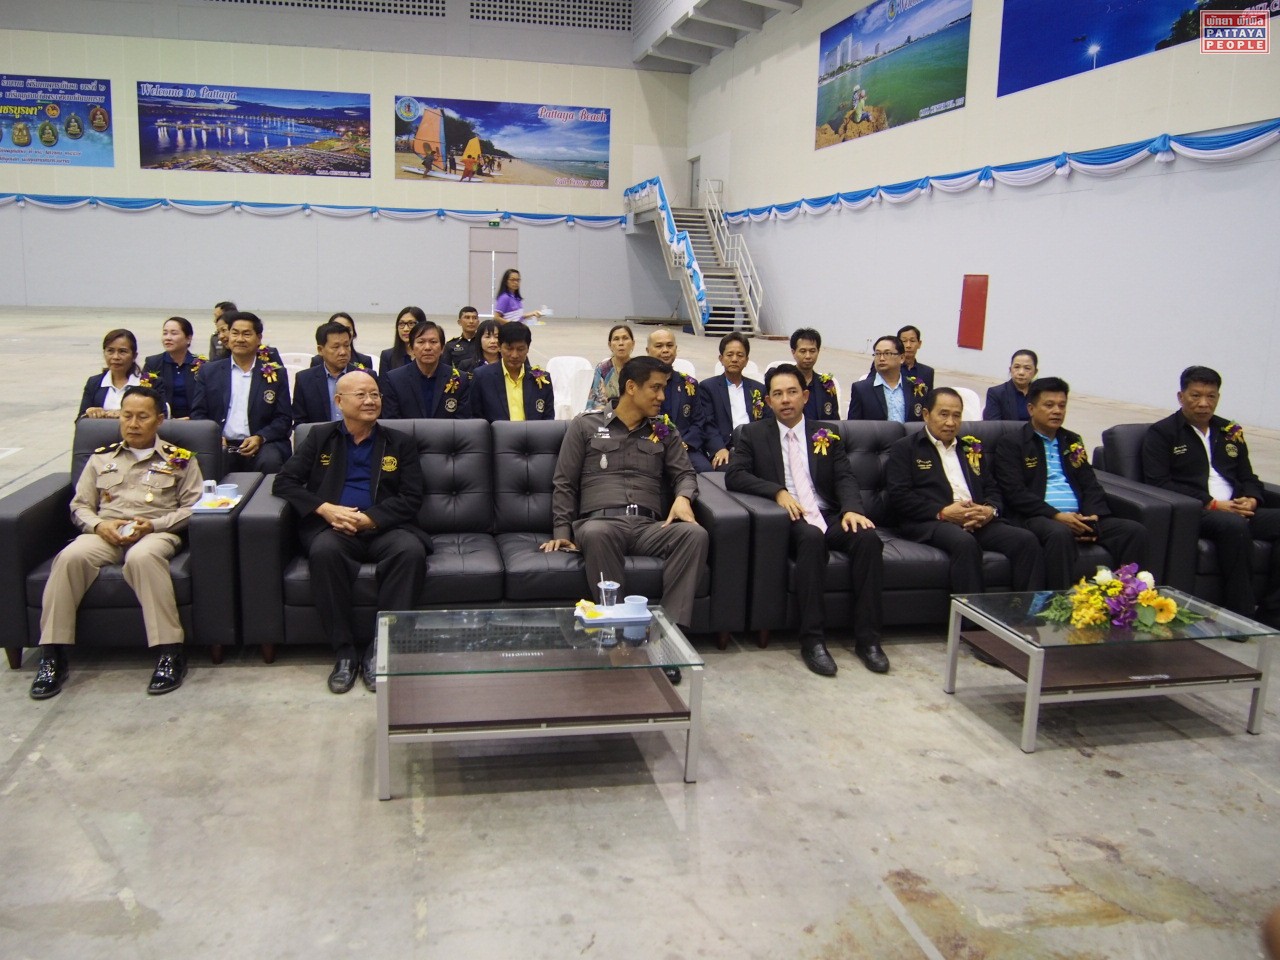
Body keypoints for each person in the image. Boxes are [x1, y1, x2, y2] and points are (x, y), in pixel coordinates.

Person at [29, 386, 203, 699]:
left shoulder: (180, 459)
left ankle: (169, 652)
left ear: (159, 420)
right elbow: (80, 505)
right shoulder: (101, 458)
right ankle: (52, 655)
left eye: (142, 417)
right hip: (105, 533)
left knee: (143, 558)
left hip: (154, 532)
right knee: (69, 558)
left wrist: (154, 525)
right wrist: (99, 525)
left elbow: (194, 506)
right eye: (127, 416)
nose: (133, 424)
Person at [726, 363, 889, 677]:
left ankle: (868, 639)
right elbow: (735, 475)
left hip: (828, 514)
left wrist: (852, 508)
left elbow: (844, 477)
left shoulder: (825, 433)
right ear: (768, 401)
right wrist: (776, 491)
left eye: (792, 392)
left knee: (868, 538)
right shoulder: (753, 434)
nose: (785, 399)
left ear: (805, 396)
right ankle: (813, 640)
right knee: (811, 538)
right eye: (777, 394)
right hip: (792, 518)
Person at [273, 371, 429, 693]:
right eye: (361, 395)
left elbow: (412, 497)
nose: (370, 401)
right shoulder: (320, 437)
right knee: (324, 553)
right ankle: (344, 653)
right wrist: (325, 509)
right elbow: (284, 482)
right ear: (339, 402)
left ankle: (378, 650)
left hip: (384, 527)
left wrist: (370, 519)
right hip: (335, 527)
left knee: (410, 552)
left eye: (375, 394)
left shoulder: (399, 442)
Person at [541, 355, 709, 651]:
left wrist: (683, 497)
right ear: (631, 387)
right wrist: (562, 532)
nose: (662, 396)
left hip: (648, 527)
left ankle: (666, 638)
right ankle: (619, 639)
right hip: (601, 522)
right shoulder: (585, 425)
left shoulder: (665, 431)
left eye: (664, 388)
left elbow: (685, 473)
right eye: (655, 388)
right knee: (597, 533)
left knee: (694, 534)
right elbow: (564, 482)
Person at [1142, 366, 1280, 627]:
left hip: (1238, 508)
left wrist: (1251, 498)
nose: (1204, 403)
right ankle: (1240, 615)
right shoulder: (1163, 433)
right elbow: (1159, 483)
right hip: (1198, 511)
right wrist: (1213, 504)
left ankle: (1273, 611)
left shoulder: (1230, 431)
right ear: (1181, 396)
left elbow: (1248, 476)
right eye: (1196, 396)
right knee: (1234, 525)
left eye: (1211, 396)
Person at [886, 387, 1045, 596]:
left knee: (1026, 541)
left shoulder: (970, 448)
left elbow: (992, 487)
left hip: (976, 519)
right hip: (933, 522)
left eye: (956, 416)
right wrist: (943, 512)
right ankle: (972, 615)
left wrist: (990, 510)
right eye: (943, 414)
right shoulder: (906, 448)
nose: (950, 422)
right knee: (964, 542)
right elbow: (900, 495)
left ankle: (1026, 612)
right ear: (926, 414)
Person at [993, 377, 1147, 589]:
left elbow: (1090, 483)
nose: (1057, 411)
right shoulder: (1012, 443)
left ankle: (1124, 598)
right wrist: (1057, 516)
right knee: (1059, 533)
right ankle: (1058, 602)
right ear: (1031, 408)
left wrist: (1093, 516)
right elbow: (1015, 493)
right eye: (1049, 405)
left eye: (1062, 405)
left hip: (1079, 516)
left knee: (1133, 531)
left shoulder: (1072, 440)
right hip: (1038, 517)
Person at [191, 311, 293, 473]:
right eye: (235, 333)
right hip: (221, 443)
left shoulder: (276, 374)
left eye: (246, 334)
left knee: (270, 461)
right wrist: (214, 437)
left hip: (261, 443)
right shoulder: (209, 372)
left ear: (259, 338)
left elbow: (284, 418)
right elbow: (198, 413)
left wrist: (260, 437)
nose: (239, 339)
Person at [647, 328, 712, 472]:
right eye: (659, 346)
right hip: (650, 448)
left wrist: (683, 444)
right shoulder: (640, 384)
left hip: (685, 448)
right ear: (648, 350)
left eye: (670, 345)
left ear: (676, 350)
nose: (665, 350)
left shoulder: (689, 384)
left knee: (707, 473)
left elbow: (699, 422)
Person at [380, 319, 472, 419]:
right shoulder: (394, 379)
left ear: (442, 348)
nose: (427, 347)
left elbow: (463, 422)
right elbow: (391, 421)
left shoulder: (460, 378)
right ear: (412, 348)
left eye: (433, 342)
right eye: (421, 342)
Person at [701, 332, 767, 469]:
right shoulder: (708, 387)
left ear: (747, 360)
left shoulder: (759, 389)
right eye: (730, 355)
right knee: (731, 470)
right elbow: (707, 424)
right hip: (726, 448)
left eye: (740, 355)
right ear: (721, 358)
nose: (735, 359)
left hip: (754, 447)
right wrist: (719, 448)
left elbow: (766, 422)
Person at [470, 321, 555, 422]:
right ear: (499, 347)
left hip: (533, 432)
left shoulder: (542, 379)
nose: (514, 355)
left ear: (528, 348)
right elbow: (476, 420)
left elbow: (548, 421)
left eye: (520, 349)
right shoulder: (482, 377)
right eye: (509, 349)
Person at [293, 321, 373, 427]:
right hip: (319, 436)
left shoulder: (365, 376)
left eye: (346, 345)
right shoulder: (304, 380)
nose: (343, 352)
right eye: (336, 347)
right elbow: (300, 424)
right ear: (320, 350)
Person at [847, 334, 926, 422]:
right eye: (877, 354)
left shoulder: (916, 387)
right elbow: (853, 425)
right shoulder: (861, 389)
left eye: (887, 353)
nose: (881, 358)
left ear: (902, 358)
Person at [79, 329, 152, 419]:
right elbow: (79, 421)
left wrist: (126, 414)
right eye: (110, 351)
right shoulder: (94, 383)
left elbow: (162, 418)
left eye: (122, 351)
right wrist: (89, 413)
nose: (115, 357)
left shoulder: (151, 382)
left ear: (134, 356)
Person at [143, 316, 206, 419]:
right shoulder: (152, 363)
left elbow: (206, 399)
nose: (168, 338)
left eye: (174, 333)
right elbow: (146, 396)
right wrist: (170, 420)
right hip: (162, 421)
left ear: (188, 338)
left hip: (194, 421)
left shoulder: (202, 364)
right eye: (165, 333)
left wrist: (192, 419)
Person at [790, 327, 840, 420]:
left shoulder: (827, 385)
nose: (808, 356)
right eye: (803, 351)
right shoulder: (784, 382)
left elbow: (835, 420)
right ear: (793, 352)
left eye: (812, 351)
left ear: (818, 351)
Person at [864, 325, 934, 390]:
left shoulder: (927, 372)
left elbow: (929, 397)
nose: (908, 345)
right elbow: (868, 387)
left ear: (919, 344)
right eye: (904, 341)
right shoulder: (884, 364)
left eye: (912, 341)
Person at [585, 324, 635, 413]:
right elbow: (595, 401)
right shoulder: (602, 369)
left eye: (625, 338)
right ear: (610, 345)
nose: (621, 343)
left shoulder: (640, 368)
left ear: (633, 343)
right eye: (616, 339)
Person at [983, 349, 1039, 421]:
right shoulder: (996, 393)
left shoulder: (1040, 394)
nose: (1021, 372)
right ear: (1010, 369)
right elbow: (992, 425)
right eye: (1017, 367)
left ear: (1035, 372)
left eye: (1027, 368)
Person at [309, 312, 374, 371]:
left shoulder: (364, 361)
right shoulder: (317, 361)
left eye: (347, 329)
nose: (342, 332)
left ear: (354, 332)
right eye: (336, 347)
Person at [379, 306, 423, 378]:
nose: (405, 329)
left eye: (411, 323)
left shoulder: (431, 354)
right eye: (401, 324)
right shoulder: (387, 356)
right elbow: (384, 383)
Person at [444, 306, 482, 371]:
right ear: (459, 322)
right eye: (467, 317)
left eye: (474, 318)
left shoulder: (483, 343)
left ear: (478, 322)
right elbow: (445, 369)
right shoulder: (450, 345)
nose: (471, 321)